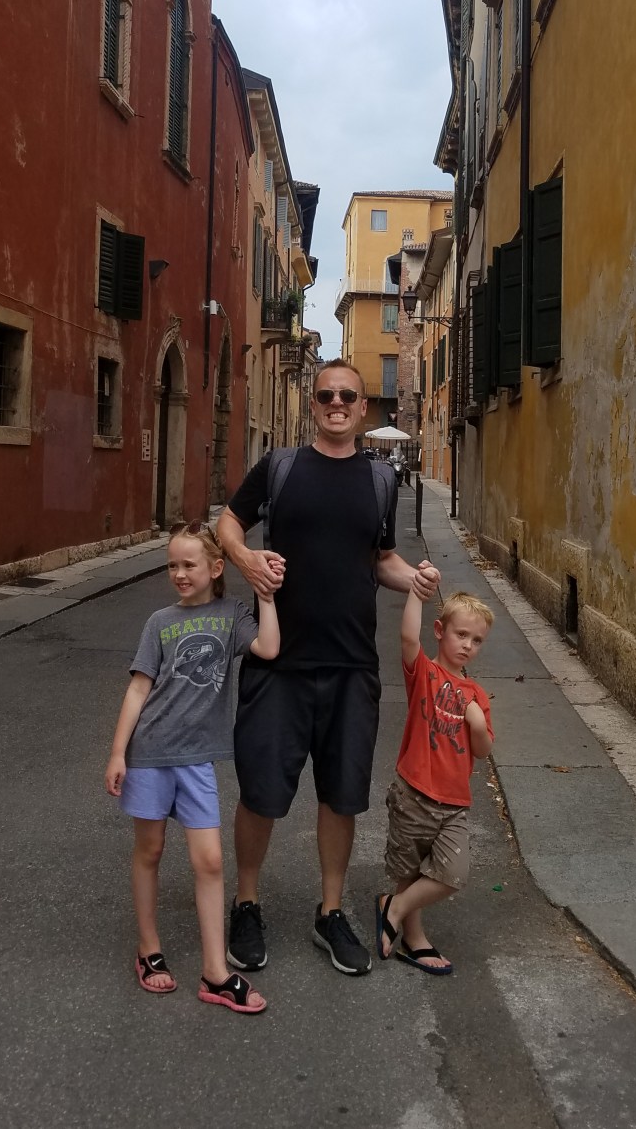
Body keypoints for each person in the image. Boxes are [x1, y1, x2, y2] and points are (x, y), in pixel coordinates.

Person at [217, 358, 441, 977]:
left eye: (347, 396)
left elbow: (381, 560)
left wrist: (416, 580)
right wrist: (245, 558)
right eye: (326, 396)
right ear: (314, 404)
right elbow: (228, 522)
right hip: (278, 663)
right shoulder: (280, 468)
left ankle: (331, 911)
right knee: (261, 791)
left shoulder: (379, 481)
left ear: (363, 408)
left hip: (351, 666)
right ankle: (246, 903)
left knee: (341, 796)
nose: (336, 404)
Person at [104, 521, 280, 1013]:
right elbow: (139, 688)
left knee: (210, 861)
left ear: (216, 568)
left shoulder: (232, 614)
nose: (179, 574)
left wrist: (266, 594)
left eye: (189, 565)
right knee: (150, 850)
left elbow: (268, 648)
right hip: (150, 752)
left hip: (197, 760)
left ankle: (215, 972)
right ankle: (149, 950)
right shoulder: (159, 622)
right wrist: (118, 752)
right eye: (172, 566)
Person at [374, 573, 494, 975]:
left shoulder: (476, 695)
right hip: (414, 793)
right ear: (440, 631)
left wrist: (477, 723)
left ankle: (393, 908)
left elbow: (483, 750)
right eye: (461, 635)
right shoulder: (425, 674)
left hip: (454, 803)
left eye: (477, 640)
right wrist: (416, 592)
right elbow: (409, 638)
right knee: (409, 872)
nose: (468, 645)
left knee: (452, 874)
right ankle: (415, 938)